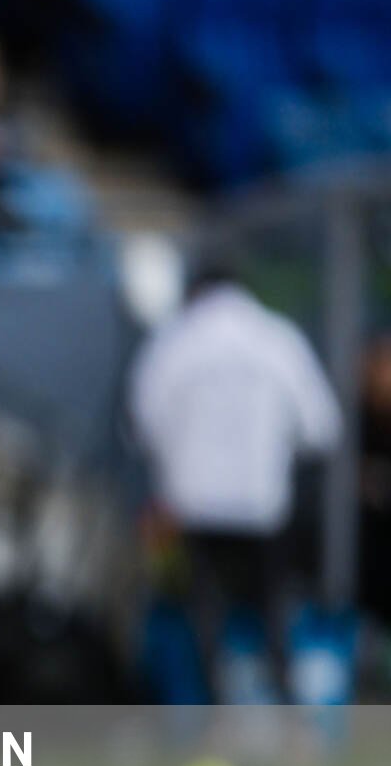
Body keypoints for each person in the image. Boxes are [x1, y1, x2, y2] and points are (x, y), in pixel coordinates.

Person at [128, 265, 341, 702]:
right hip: (264, 503)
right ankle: (292, 723)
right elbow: (321, 428)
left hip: (193, 504)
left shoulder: (176, 339)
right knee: (273, 616)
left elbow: (141, 420)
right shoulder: (278, 339)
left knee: (204, 618)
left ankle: (212, 721)